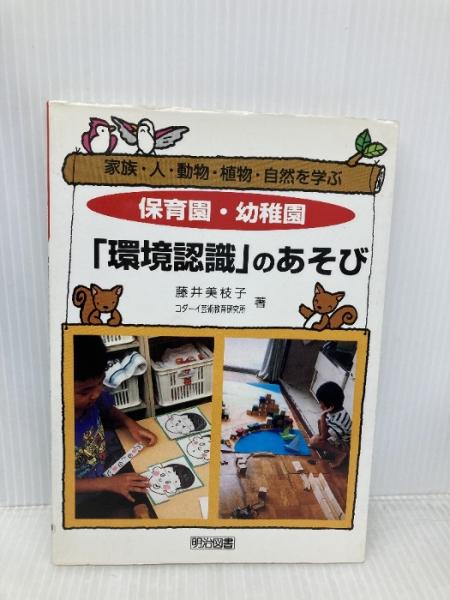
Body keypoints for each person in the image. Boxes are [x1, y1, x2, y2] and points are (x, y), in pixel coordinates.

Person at [74, 335, 157, 517]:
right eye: (85, 391)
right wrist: (108, 484)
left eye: (100, 382)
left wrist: (129, 423)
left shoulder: (93, 397)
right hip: (80, 495)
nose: (97, 393)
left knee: (147, 475)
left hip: (105, 463)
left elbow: (107, 409)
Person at [308, 381, 351, 469]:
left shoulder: (339, 420)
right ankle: (330, 449)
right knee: (316, 435)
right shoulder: (335, 411)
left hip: (345, 445)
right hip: (336, 437)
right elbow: (324, 430)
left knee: (315, 441)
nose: (320, 406)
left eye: (321, 403)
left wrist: (323, 415)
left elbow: (323, 436)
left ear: (331, 406)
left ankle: (340, 454)